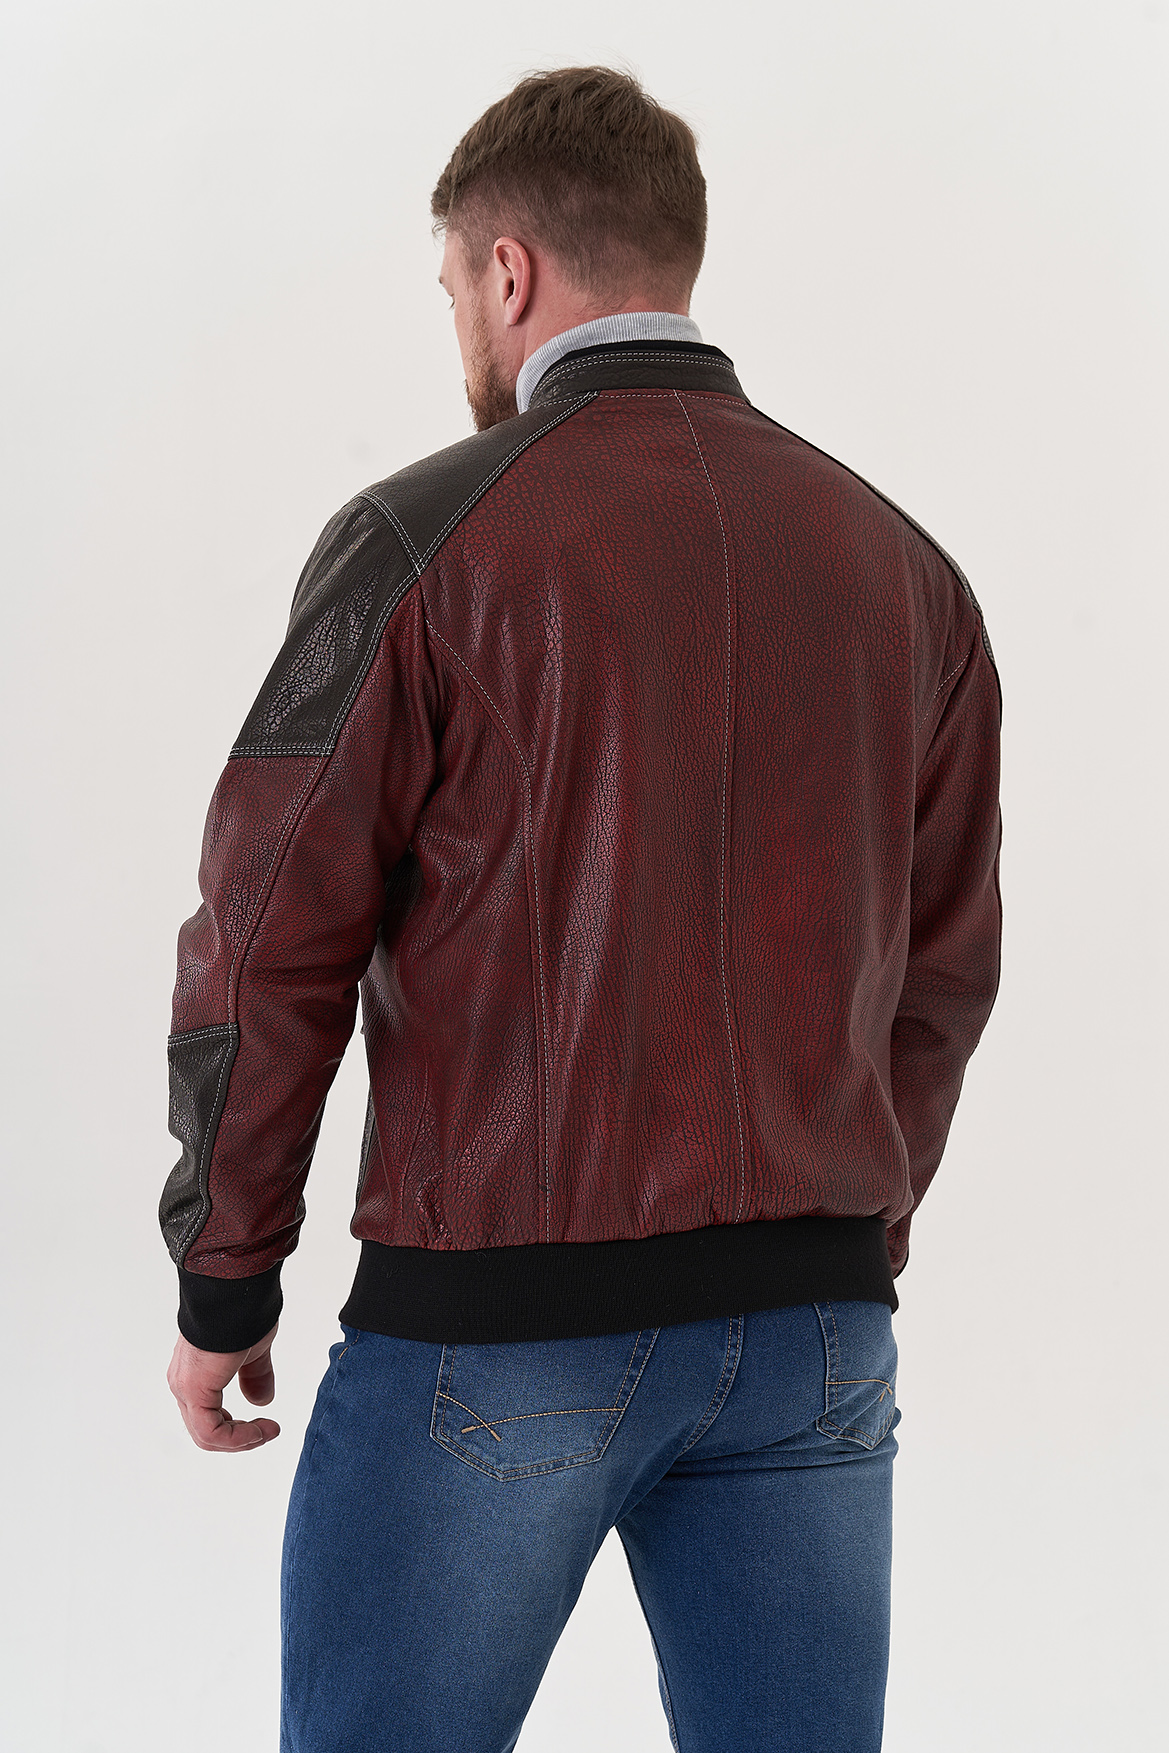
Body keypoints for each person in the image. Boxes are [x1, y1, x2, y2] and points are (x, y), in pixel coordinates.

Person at [161, 65, 1002, 1753]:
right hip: (814, 1333)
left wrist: (222, 1274)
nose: (459, 327)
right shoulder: (901, 566)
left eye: (451, 288)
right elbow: (942, 971)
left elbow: (265, 937)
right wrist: (841, 1244)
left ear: (508, 272)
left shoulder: (419, 538)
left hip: (500, 1325)